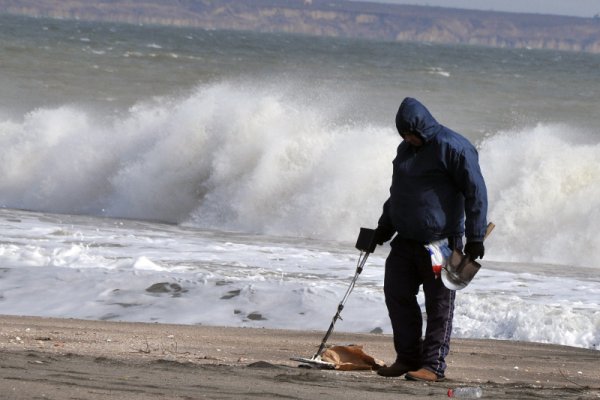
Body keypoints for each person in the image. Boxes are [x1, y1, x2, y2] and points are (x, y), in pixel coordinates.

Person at [373, 97, 488, 382]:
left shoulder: (454, 147)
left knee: (439, 305)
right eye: (403, 134)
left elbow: (477, 192)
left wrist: (475, 237)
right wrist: (383, 227)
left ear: (422, 126)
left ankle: (433, 366)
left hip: (442, 243)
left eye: (410, 133)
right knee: (396, 294)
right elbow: (399, 194)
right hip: (405, 240)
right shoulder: (405, 150)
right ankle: (408, 358)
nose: (407, 138)